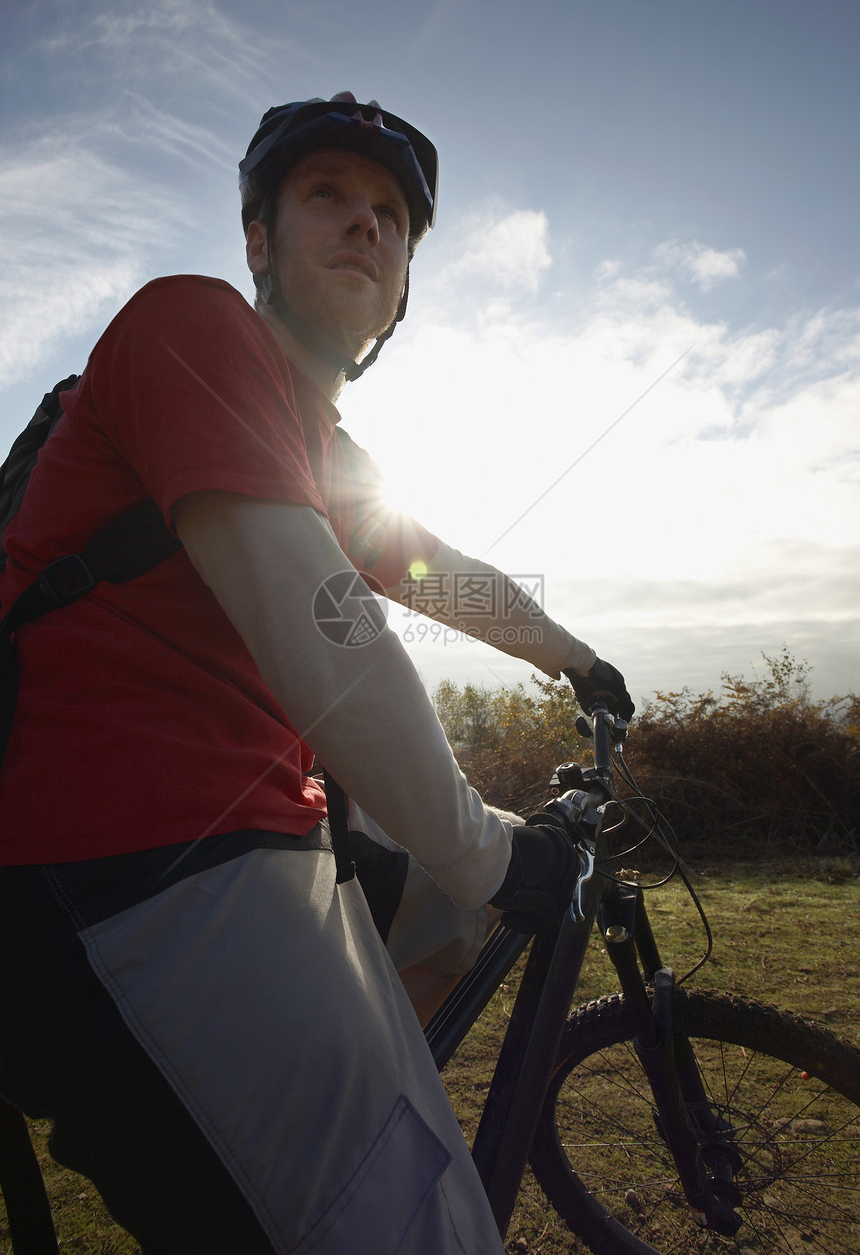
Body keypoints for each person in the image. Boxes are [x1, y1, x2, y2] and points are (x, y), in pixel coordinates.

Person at [0, 94, 634, 1253]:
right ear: (258, 242)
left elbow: (446, 575)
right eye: (326, 197)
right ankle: (333, 1135)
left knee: (439, 903)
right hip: (126, 865)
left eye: (390, 215)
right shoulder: (190, 328)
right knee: (426, 1234)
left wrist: (578, 662)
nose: (364, 227)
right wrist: (489, 852)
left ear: (402, 286)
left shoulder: (333, 454)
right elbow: (325, 620)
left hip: (259, 835)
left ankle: (339, 1094)